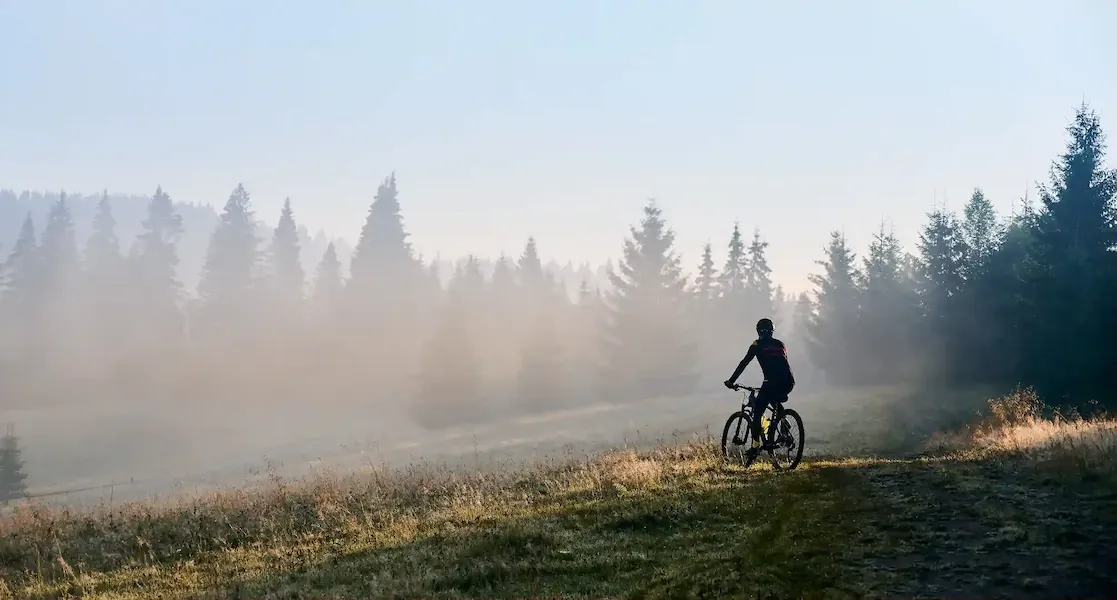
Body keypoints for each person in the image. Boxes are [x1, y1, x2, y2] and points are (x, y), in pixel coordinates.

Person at [724, 317, 796, 457]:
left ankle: (755, 447)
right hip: (788, 381)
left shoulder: (757, 344)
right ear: (772, 331)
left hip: (771, 382)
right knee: (774, 400)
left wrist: (731, 381)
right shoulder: (780, 343)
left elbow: (744, 363)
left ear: (758, 331)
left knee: (757, 413)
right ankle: (783, 425)